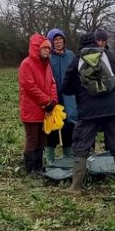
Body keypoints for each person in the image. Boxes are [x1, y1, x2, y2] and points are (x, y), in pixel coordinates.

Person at [62, 32, 115, 191]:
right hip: (112, 109)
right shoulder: (109, 56)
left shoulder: (77, 60)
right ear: (95, 42)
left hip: (88, 110)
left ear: (80, 46)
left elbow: (66, 87)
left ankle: (76, 186)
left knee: (81, 145)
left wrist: (81, 90)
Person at [18, 34, 58, 173]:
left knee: (42, 139)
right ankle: (30, 169)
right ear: (37, 49)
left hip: (44, 109)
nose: (48, 50)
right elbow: (30, 87)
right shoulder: (26, 64)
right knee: (32, 139)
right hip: (31, 109)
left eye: (49, 48)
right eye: (45, 48)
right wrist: (47, 100)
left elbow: (52, 83)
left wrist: (53, 100)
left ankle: (38, 167)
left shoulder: (47, 65)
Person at [45, 28, 77, 161]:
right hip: (52, 98)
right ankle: (50, 159)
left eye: (60, 39)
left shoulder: (70, 55)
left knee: (68, 127)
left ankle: (68, 157)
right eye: (55, 40)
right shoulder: (47, 57)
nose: (58, 42)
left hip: (68, 98)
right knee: (51, 128)